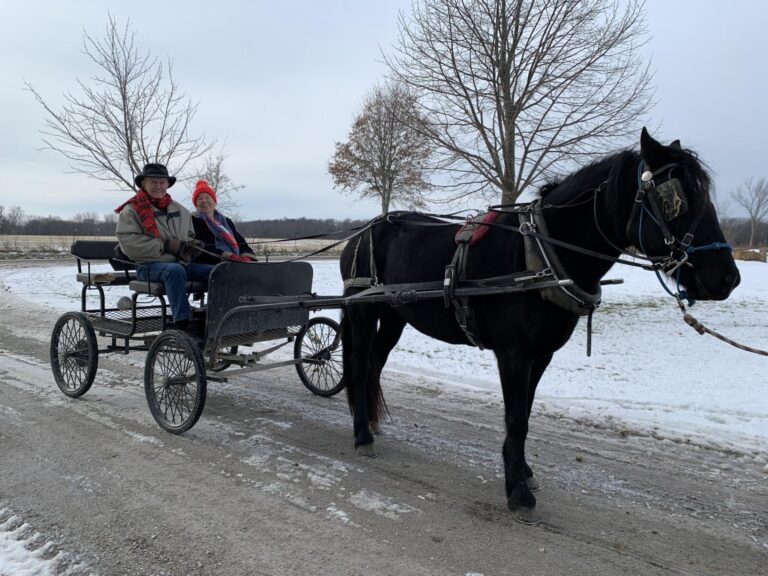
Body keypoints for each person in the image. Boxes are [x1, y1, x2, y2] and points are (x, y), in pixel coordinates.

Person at [115, 163, 213, 332]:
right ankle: (182, 324)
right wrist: (165, 245)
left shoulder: (181, 211)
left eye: (162, 182)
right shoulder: (131, 210)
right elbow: (129, 243)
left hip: (181, 264)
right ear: (143, 184)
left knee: (217, 271)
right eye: (153, 182)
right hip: (147, 266)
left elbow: (189, 235)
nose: (158, 186)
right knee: (174, 271)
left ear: (168, 184)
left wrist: (193, 245)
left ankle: (215, 318)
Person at [190, 180, 258, 264]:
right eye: (200, 199)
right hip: (211, 263)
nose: (204, 201)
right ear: (196, 204)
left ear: (214, 201)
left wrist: (246, 257)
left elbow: (241, 243)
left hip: (235, 262)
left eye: (207, 198)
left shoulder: (226, 222)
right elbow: (201, 248)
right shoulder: (193, 221)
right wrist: (229, 256)